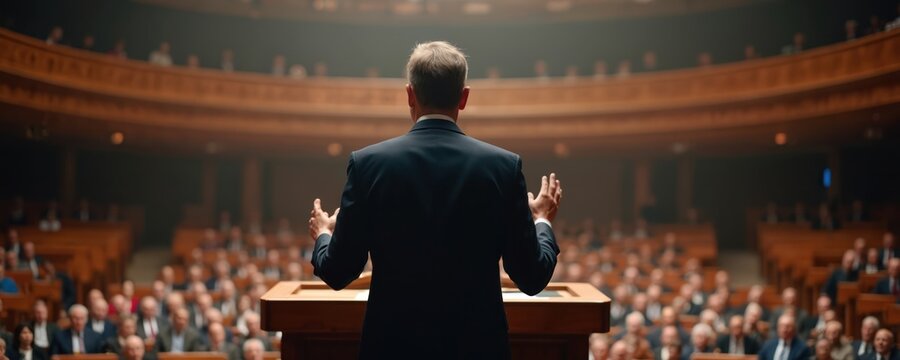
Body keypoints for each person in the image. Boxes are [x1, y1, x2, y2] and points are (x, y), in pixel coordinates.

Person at [308, 41, 561, 359]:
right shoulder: (503, 167)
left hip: (393, 348)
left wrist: (323, 234)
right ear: (464, 97)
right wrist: (542, 221)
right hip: (476, 349)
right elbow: (532, 276)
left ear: (409, 95)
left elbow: (338, 271)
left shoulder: (368, 164)